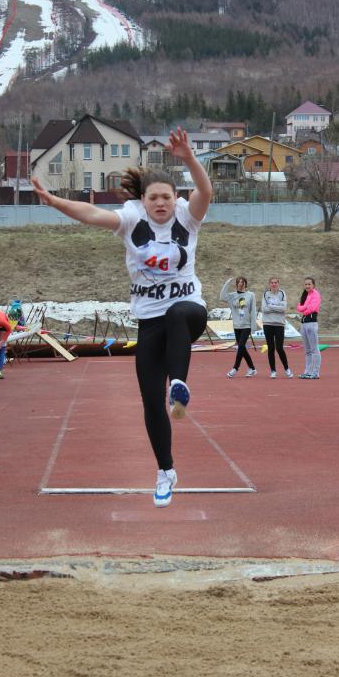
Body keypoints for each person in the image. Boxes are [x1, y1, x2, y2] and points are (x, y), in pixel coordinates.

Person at [32, 127, 212, 508]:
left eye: (166, 197)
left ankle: (179, 384)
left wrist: (190, 159)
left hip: (189, 312)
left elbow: (206, 191)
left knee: (177, 313)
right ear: (143, 200)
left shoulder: (187, 216)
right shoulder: (131, 218)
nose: (160, 203)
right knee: (151, 403)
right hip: (150, 323)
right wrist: (55, 201)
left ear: (175, 198)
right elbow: (91, 214)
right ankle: (165, 472)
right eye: (153, 198)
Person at [220, 276, 258, 378]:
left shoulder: (250, 295)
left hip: (246, 325)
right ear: (236, 284)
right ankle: (252, 368)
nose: (241, 284)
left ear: (246, 284)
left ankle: (235, 368)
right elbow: (222, 297)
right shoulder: (232, 296)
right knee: (242, 348)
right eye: (239, 282)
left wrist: (253, 326)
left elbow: (253, 311)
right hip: (237, 326)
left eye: (243, 282)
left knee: (241, 346)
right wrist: (227, 283)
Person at [261, 276, 293, 379]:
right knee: (271, 348)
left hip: (279, 324)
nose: (274, 284)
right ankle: (273, 371)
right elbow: (264, 309)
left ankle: (287, 369)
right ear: (269, 284)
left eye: (275, 282)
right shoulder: (266, 294)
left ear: (278, 284)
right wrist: (277, 307)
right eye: (272, 282)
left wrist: (271, 306)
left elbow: (283, 308)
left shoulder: (282, 293)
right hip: (268, 324)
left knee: (279, 348)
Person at [297, 277, 322, 379]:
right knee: (307, 350)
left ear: (313, 285)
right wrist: (304, 308)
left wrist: (304, 309)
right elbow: (299, 307)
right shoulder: (305, 294)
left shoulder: (316, 294)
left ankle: (315, 372)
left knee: (314, 349)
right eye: (306, 284)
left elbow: (311, 309)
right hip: (304, 324)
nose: (307, 286)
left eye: (309, 284)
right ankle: (307, 371)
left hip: (311, 323)